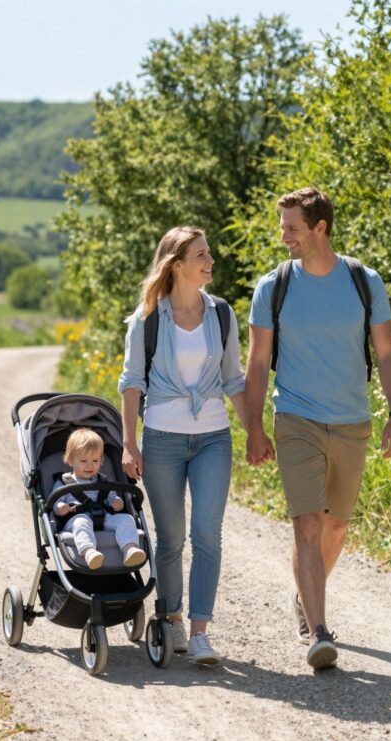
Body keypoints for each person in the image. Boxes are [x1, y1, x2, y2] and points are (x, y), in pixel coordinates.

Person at [244, 187, 391, 670]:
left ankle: (305, 593)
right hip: (296, 417)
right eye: (282, 226)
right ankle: (318, 629)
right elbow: (255, 363)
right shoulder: (272, 287)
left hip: (352, 419)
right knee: (308, 522)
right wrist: (254, 427)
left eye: (292, 227)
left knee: (336, 523)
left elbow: (387, 352)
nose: (283, 235)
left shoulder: (362, 281)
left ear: (320, 228)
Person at [118, 225, 248, 666]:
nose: (210, 261)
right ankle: (171, 619)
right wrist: (128, 444)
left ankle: (200, 633)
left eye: (208, 253)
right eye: (201, 254)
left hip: (214, 436)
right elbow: (132, 383)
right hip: (162, 439)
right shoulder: (148, 318)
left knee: (208, 534)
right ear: (177, 265)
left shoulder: (221, 314)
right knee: (171, 537)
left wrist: (255, 432)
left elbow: (234, 379)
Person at [52, 428, 146, 570]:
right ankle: (89, 552)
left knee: (127, 519)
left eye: (95, 460)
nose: (90, 465)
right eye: (83, 460)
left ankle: (129, 549)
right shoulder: (64, 481)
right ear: (70, 460)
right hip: (75, 519)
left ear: (101, 460)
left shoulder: (103, 480)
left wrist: (117, 503)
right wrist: (60, 508)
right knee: (81, 522)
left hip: (104, 517)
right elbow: (55, 502)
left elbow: (112, 497)